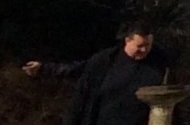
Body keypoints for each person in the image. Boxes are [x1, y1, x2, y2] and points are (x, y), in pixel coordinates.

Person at [24, 26, 168, 125]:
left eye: (148, 45)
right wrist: (44, 68)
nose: (144, 50)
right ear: (127, 40)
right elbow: (77, 70)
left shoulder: (159, 64)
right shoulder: (105, 60)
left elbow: (169, 98)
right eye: (140, 46)